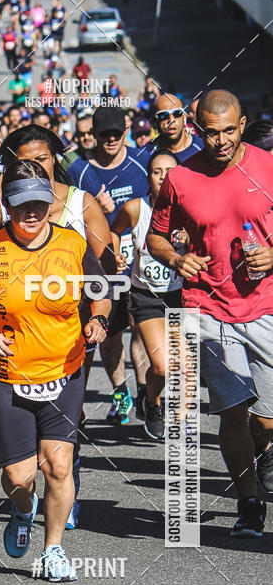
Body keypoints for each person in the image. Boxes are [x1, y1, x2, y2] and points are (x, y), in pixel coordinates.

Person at [0, 159, 111, 580]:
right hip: (8, 374)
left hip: (65, 370)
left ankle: (53, 550)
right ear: (6, 205)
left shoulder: (72, 244)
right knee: (20, 477)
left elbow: (100, 290)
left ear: (49, 202)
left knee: (58, 466)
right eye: (21, 204)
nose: (31, 212)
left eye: (39, 202)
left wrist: (99, 319)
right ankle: (22, 509)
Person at [147, 89, 273, 538]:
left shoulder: (268, 166)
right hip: (207, 308)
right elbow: (155, 237)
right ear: (198, 128)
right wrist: (176, 259)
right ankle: (249, 502)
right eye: (211, 132)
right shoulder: (181, 178)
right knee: (233, 413)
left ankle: (265, 454)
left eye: (229, 131)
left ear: (243, 126)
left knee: (266, 419)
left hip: (265, 306)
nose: (220, 141)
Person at [0, 124, 116, 529]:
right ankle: (23, 483)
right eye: (25, 162)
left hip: (73, 325)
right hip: (15, 331)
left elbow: (104, 267)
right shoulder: (0, 211)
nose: (35, 167)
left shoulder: (81, 203)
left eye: (41, 159)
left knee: (69, 410)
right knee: (21, 450)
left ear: (55, 159)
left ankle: (65, 483)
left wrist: (99, 312)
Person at [68, 105, 150, 425]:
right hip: (102, 265)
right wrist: (98, 212)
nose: (111, 140)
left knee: (141, 328)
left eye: (117, 133)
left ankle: (146, 392)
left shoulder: (142, 161)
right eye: (105, 135)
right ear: (94, 135)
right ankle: (120, 392)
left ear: (126, 131)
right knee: (110, 332)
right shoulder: (80, 170)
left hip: (141, 260)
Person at [111, 151, 183, 440]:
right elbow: (114, 231)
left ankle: (166, 408)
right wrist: (116, 254)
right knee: (162, 366)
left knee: (181, 366)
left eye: (169, 171)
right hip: (146, 296)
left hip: (182, 296)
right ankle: (152, 403)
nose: (163, 177)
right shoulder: (135, 208)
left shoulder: (190, 209)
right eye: (156, 172)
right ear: (148, 176)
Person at [136, 93, 204, 166]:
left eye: (177, 113)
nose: (171, 120)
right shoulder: (144, 155)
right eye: (163, 115)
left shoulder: (202, 148)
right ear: (154, 121)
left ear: (184, 117)